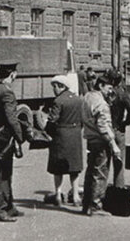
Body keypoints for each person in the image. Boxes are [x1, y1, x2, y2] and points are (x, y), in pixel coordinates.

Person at [0, 62, 29, 222]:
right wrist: (19, 136)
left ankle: (9, 206)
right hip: (5, 136)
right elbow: (12, 118)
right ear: (12, 74)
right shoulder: (7, 93)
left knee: (6, 171)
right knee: (3, 173)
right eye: (15, 73)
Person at [81, 71, 120, 216]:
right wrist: (113, 144)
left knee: (90, 172)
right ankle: (96, 205)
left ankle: (87, 204)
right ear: (101, 85)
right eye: (109, 88)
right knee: (100, 173)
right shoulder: (101, 103)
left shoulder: (87, 97)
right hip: (101, 141)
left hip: (90, 139)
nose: (111, 91)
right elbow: (103, 126)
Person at [44, 75, 83, 207]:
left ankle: (58, 194)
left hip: (60, 136)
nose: (54, 89)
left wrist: (47, 131)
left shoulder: (58, 101)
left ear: (62, 86)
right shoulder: (78, 100)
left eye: (55, 86)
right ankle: (76, 196)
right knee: (74, 167)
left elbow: (52, 120)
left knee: (58, 168)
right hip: (75, 135)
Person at [107, 68, 130, 189]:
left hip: (105, 129)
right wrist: (126, 122)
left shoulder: (104, 93)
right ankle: (118, 188)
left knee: (103, 162)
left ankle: (100, 191)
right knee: (119, 162)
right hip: (118, 128)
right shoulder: (122, 94)